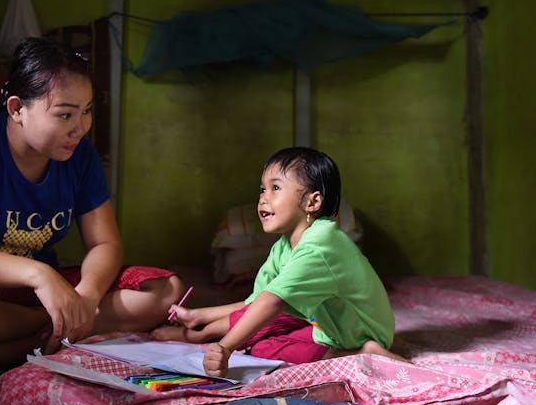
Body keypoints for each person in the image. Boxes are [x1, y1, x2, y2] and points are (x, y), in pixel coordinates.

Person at [0, 37, 185, 372]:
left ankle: (23, 346)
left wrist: (86, 295)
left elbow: (105, 243)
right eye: (65, 114)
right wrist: (39, 276)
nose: (80, 128)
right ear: (16, 109)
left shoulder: (81, 156)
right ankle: (55, 329)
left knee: (163, 289)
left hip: (46, 295)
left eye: (86, 112)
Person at [152, 147, 402, 378]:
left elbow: (271, 302)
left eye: (275, 188)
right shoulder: (283, 246)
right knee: (260, 345)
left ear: (312, 202)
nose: (263, 198)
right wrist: (199, 315)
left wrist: (225, 348)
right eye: (262, 189)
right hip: (328, 327)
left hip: (360, 330)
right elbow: (257, 301)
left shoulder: (321, 244)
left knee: (261, 324)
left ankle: (360, 353)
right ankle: (197, 331)